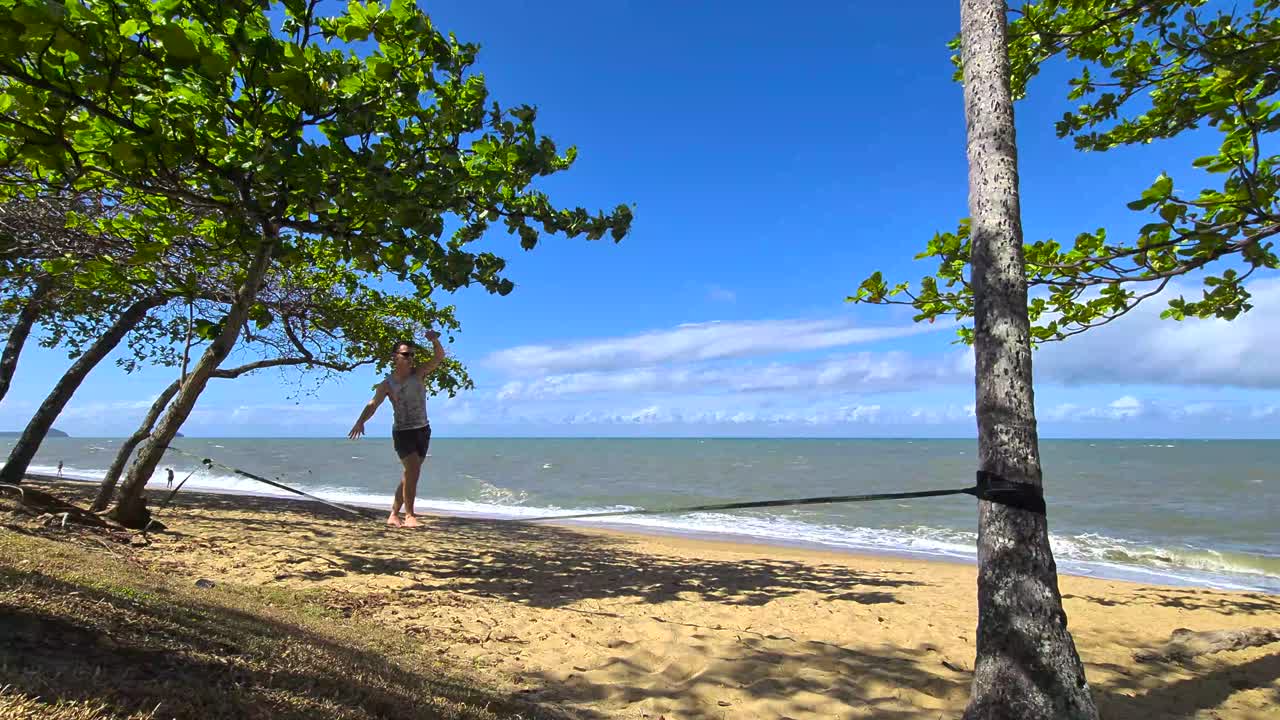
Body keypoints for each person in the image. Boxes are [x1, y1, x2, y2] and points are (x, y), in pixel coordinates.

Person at [348, 331, 445, 528]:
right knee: (412, 469)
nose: (410, 358)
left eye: (412, 355)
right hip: (402, 432)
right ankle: (409, 515)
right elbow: (373, 404)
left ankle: (393, 514)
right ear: (395, 357)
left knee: (411, 474)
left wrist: (434, 340)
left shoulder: (419, 373)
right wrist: (360, 421)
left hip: (423, 430)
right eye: (406, 354)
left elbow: (438, 357)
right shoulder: (387, 384)